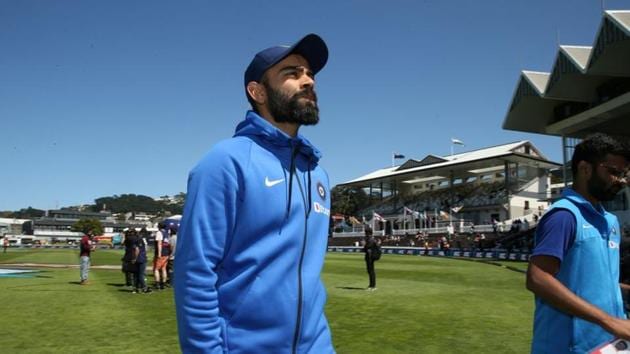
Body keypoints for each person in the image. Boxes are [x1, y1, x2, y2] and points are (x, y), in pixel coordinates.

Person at [174, 34, 334, 353]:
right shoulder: (226, 162)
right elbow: (195, 273)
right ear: (257, 91)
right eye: (292, 73)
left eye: (310, 74)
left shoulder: (317, 173)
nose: (307, 81)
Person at [526, 133, 630, 353]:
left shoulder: (609, 221)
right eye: (613, 172)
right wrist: (609, 321)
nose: (621, 180)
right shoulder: (564, 216)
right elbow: (538, 278)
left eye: (624, 174)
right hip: (566, 347)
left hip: (609, 345)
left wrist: (626, 291)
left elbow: (596, 283)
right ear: (585, 169)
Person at [132, 229, 152, 294]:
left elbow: (137, 249)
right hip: (142, 258)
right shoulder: (144, 240)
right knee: (141, 274)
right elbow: (146, 249)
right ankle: (144, 288)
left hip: (139, 258)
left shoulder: (137, 239)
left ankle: (136, 288)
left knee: (136, 274)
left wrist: (134, 258)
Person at [152, 224, 170, 290]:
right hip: (166, 253)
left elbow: (159, 243)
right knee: (163, 268)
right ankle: (163, 283)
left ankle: (157, 284)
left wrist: (159, 254)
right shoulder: (167, 233)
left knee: (156, 269)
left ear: (159, 227)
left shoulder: (159, 233)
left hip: (161, 253)